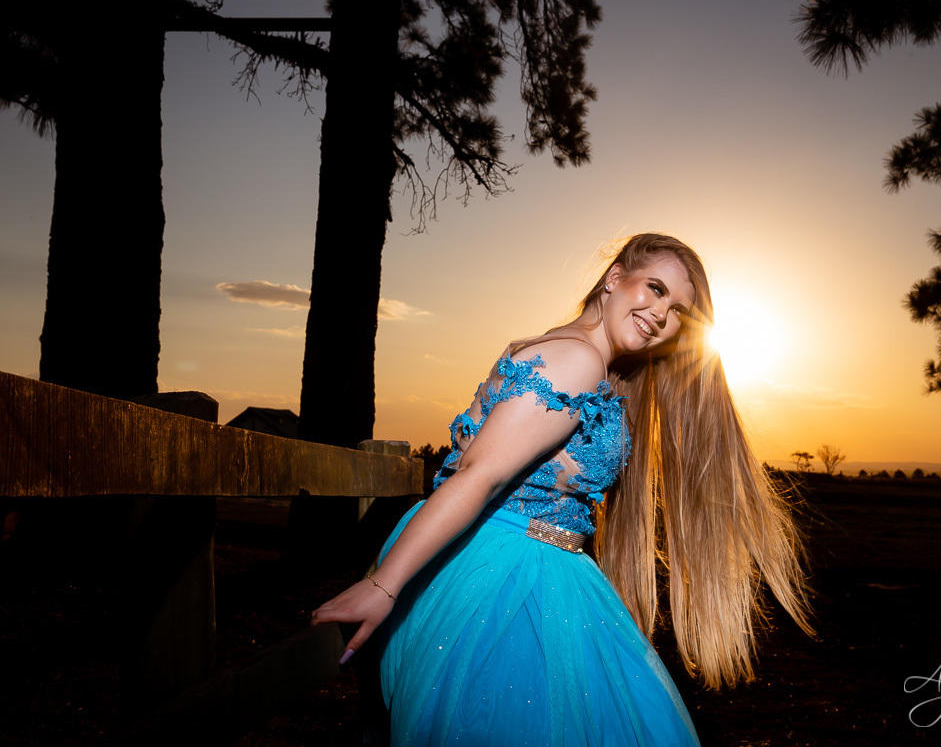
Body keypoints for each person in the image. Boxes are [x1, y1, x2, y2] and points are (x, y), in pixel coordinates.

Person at [313, 233, 813, 746]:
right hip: (505, 578)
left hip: (516, 563)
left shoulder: (575, 356)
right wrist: (383, 585)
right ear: (615, 279)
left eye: (678, 309)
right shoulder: (577, 361)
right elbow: (480, 475)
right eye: (655, 288)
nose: (662, 314)